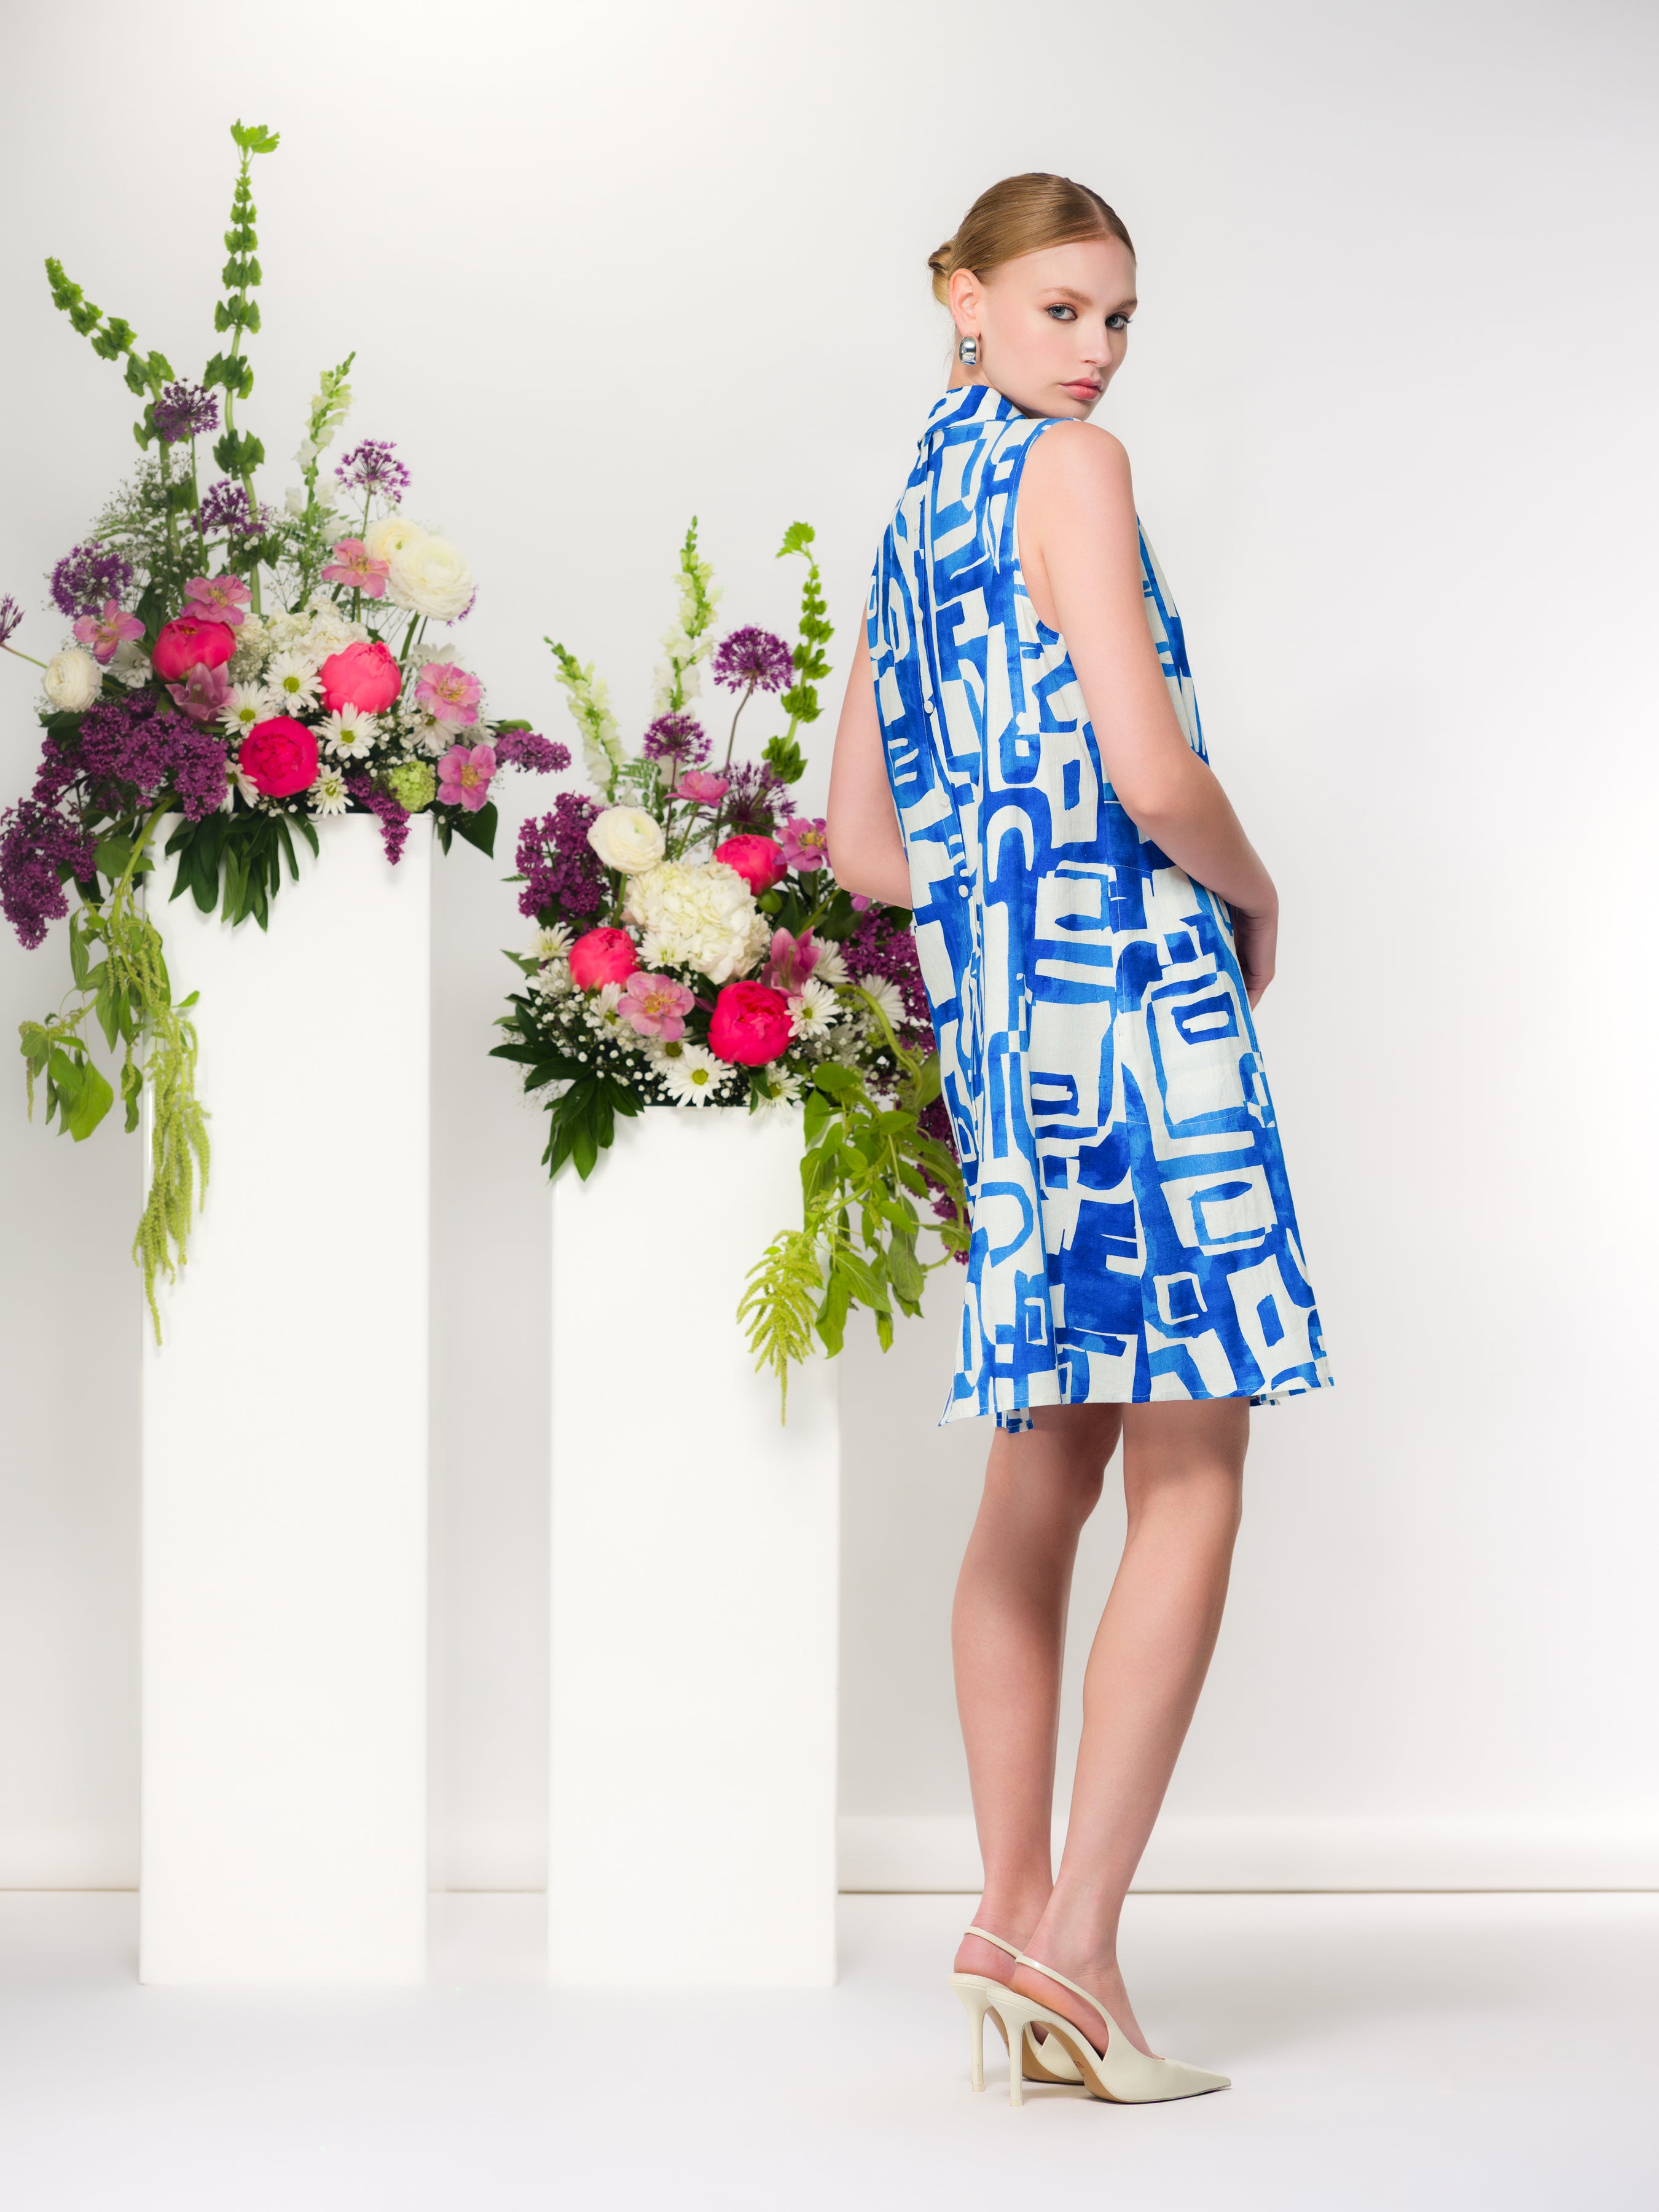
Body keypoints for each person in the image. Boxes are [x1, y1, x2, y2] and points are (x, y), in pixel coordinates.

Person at [825, 172, 1332, 2106]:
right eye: (1057, 310)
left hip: (997, 1041)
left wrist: (984, 909)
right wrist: (1254, 889)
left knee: (1037, 1487)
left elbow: (865, 846)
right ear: (960, 296)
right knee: (1193, 1463)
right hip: (1131, 1012)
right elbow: (1150, 767)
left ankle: (1007, 1911)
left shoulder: (910, 517)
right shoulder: (1078, 473)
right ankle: (1081, 1953)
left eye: (1115, 318)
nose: (1094, 352)